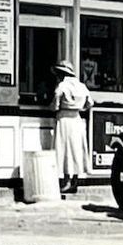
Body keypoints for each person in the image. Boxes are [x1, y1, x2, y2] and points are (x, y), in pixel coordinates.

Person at [52, 60, 93, 196]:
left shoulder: (62, 86)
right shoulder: (82, 86)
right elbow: (90, 103)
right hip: (77, 119)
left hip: (64, 118)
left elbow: (55, 105)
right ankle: (75, 180)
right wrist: (80, 108)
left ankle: (67, 180)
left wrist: (56, 107)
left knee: (64, 150)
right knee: (77, 150)